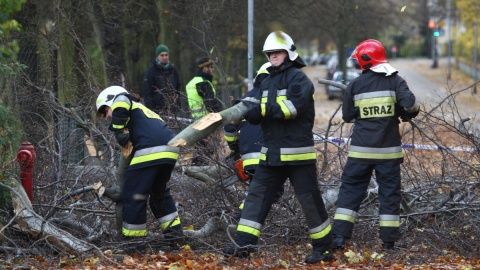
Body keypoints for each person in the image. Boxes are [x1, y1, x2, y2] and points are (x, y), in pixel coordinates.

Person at [224, 31, 333, 264]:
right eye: (270, 53)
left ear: (289, 53)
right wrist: (243, 111)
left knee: (309, 201)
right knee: (256, 198)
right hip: (271, 153)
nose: (273, 56)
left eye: (277, 52)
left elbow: (292, 108)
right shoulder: (268, 81)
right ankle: (242, 244)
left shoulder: (299, 79)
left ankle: (323, 248)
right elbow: (257, 107)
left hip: (296, 154)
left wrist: (261, 111)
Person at [331, 39, 420, 251]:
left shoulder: (354, 85)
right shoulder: (395, 80)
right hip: (388, 153)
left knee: (351, 192)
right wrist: (400, 112)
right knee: (389, 195)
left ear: (364, 61)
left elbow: (347, 116)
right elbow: (412, 106)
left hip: (360, 152)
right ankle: (388, 242)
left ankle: (339, 238)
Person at [96, 85, 184, 252]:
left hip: (150, 150)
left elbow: (121, 100)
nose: (107, 117)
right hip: (170, 149)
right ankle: (176, 239)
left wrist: (119, 130)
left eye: (106, 110)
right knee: (159, 196)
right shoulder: (142, 109)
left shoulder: (122, 99)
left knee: (134, 195)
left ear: (111, 100)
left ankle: (134, 246)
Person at [223, 62, 284, 220]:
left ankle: (244, 220)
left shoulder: (245, 98)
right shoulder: (276, 98)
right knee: (267, 193)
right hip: (266, 154)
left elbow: (230, 128)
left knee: (261, 191)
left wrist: (235, 150)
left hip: (247, 156)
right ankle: (239, 219)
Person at [186, 57, 222, 165]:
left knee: (200, 150)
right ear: (205, 68)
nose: (213, 70)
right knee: (205, 153)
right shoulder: (203, 83)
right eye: (211, 67)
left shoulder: (191, 83)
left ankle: (196, 173)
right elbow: (211, 105)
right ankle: (198, 173)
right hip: (207, 122)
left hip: (197, 121)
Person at [142, 44, 182, 118]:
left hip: (173, 110)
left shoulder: (173, 69)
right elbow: (147, 92)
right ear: (157, 56)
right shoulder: (151, 72)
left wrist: (177, 105)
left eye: (166, 55)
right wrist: (152, 110)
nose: (165, 57)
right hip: (158, 111)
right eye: (162, 55)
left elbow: (178, 88)